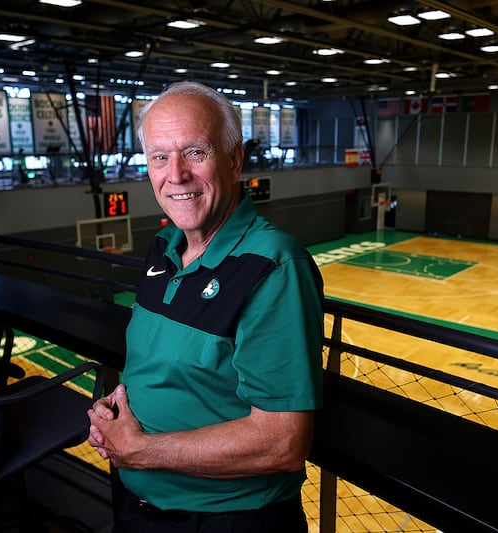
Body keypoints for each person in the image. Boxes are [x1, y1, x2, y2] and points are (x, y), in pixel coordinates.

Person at [87, 81, 325, 533]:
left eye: (195, 152)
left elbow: (282, 442)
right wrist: (115, 417)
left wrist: (138, 450)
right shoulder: (164, 246)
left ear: (234, 160)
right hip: (139, 505)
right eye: (159, 156)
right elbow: (155, 367)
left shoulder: (273, 265)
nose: (175, 175)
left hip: (225, 520)